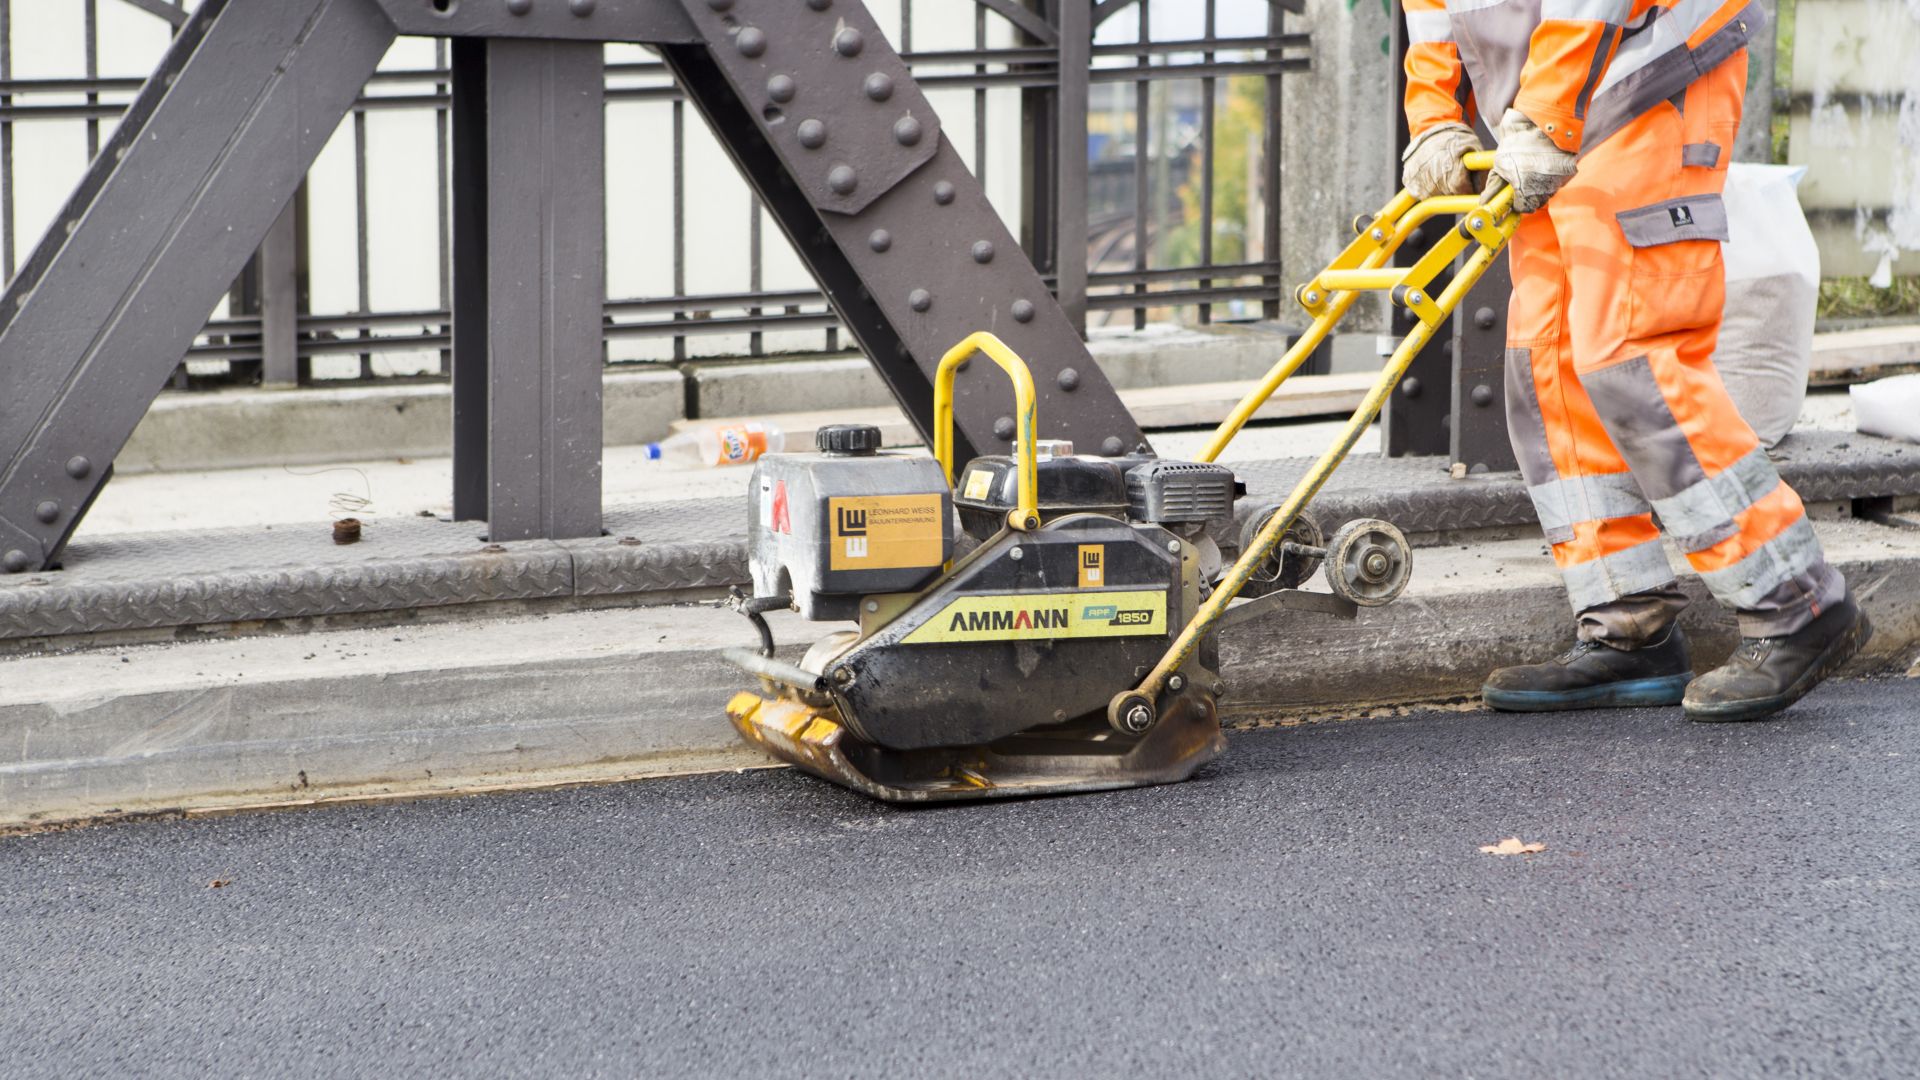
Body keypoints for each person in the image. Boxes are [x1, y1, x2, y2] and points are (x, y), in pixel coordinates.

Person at [1398, 0, 1870, 721]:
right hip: (1542, 106)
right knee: (1545, 362)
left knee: (1631, 353)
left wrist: (1546, 113)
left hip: (1649, 71)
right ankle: (1627, 623)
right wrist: (1434, 113)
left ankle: (1796, 602)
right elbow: (1437, 12)